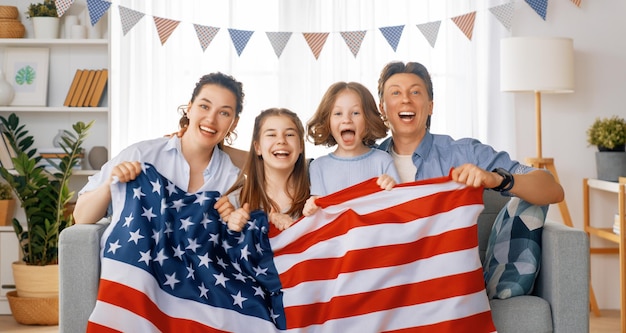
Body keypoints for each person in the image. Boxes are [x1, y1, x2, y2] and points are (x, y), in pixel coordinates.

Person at [376, 61, 564, 205]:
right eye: (395, 93)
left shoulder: (465, 153)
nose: (406, 100)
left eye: (415, 92)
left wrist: (496, 179)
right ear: (382, 108)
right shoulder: (367, 161)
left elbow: (553, 189)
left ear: (430, 106)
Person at [73, 72, 245, 224]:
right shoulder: (142, 155)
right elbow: (81, 217)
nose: (211, 119)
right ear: (190, 108)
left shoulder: (232, 178)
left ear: (234, 123)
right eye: (204, 106)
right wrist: (109, 184)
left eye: (224, 113)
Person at [303, 81, 400, 217]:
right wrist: (311, 205)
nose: (346, 120)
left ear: (368, 120)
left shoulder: (383, 161)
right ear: (327, 121)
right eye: (338, 113)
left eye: (355, 113)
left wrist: (392, 186)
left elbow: (399, 206)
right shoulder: (318, 167)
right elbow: (319, 215)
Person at [215, 108, 310, 232]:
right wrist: (233, 228)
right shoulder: (235, 202)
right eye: (271, 135)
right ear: (257, 147)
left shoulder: (316, 197)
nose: (281, 140)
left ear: (301, 146)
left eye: (289, 134)